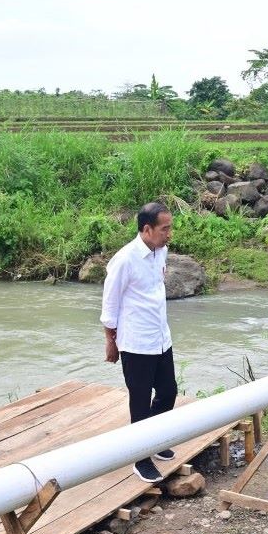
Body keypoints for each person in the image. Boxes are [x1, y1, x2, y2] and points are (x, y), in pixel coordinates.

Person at [100, 202, 177, 484]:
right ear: (147, 229)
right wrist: (111, 342)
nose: (169, 234)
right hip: (135, 343)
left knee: (169, 391)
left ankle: (152, 440)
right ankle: (140, 457)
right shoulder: (124, 259)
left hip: (160, 337)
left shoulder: (161, 251)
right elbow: (110, 304)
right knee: (140, 400)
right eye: (164, 228)